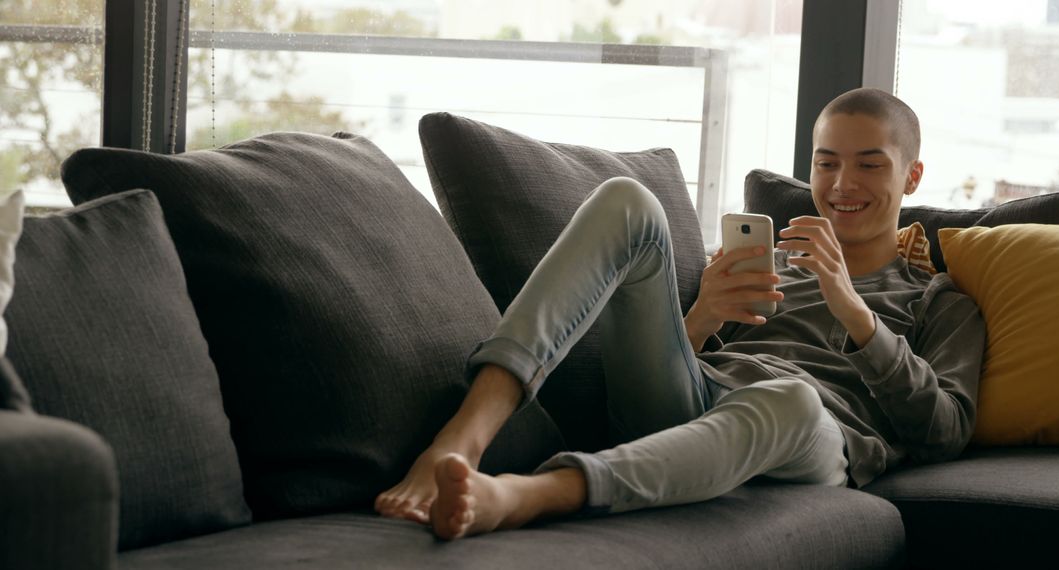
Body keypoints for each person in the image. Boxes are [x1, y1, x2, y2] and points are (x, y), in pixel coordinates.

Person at [375, 87, 987, 540]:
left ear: (912, 176)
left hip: (812, 437)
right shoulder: (766, 263)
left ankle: (529, 494)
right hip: (694, 400)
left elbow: (944, 432)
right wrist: (699, 318)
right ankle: (461, 439)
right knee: (626, 199)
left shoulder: (942, 302)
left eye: (870, 164)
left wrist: (855, 313)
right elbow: (680, 370)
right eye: (826, 162)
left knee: (790, 398)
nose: (842, 182)